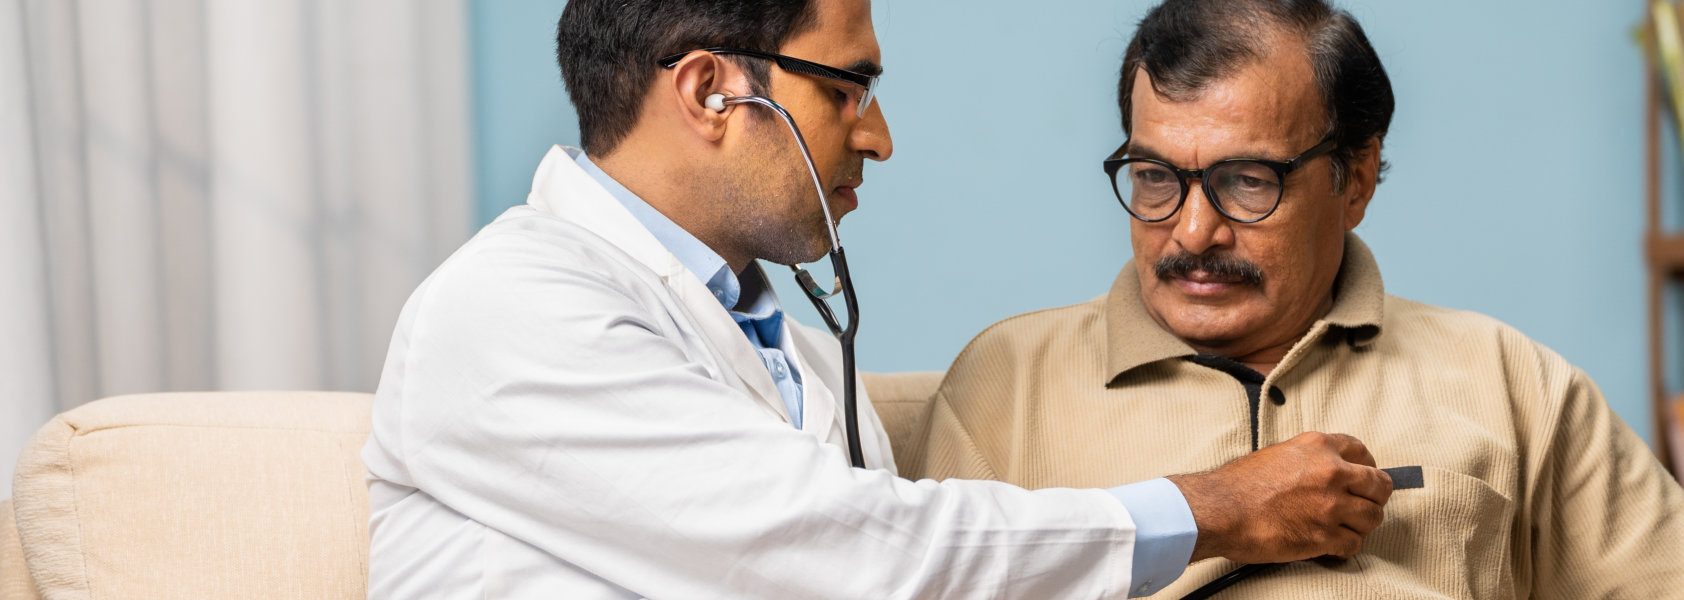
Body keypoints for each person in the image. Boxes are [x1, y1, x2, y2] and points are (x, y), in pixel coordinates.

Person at [359, 0, 1400, 597]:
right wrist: (1213, 507)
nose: (878, 135)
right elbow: (858, 555)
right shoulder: (503, 311)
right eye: (847, 88)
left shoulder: (808, 362)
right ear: (713, 92)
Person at [915, 0, 1684, 598]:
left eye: (1248, 181)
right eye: (1156, 177)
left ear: (1353, 180)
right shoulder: (1005, 386)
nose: (1193, 230)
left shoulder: (1511, 379)